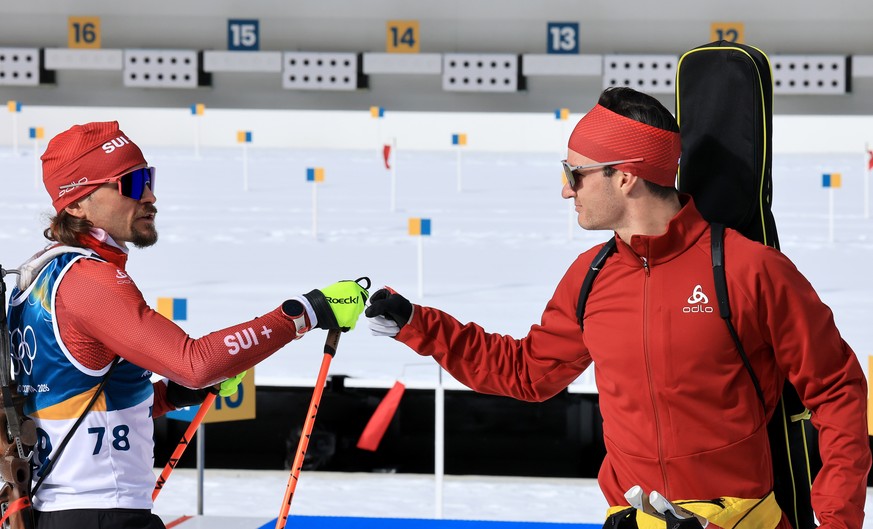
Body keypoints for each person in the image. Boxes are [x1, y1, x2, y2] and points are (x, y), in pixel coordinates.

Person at [365, 87, 870, 529]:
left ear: (625, 177)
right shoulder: (590, 277)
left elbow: (838, 390)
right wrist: (418, 325)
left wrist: (836, 519)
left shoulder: (749, 269)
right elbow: (527, 372)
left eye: (575, 173)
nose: (566, 189)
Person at [5, 121, 369, 529]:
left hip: (62, 511)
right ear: (76, 204)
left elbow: (81, 399)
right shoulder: (89, 281)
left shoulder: (38, 276)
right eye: (131, 182)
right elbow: (195, 362)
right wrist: (307, 311)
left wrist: (176, 395)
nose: (150, 195)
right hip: (101, 512)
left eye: (149, 177)